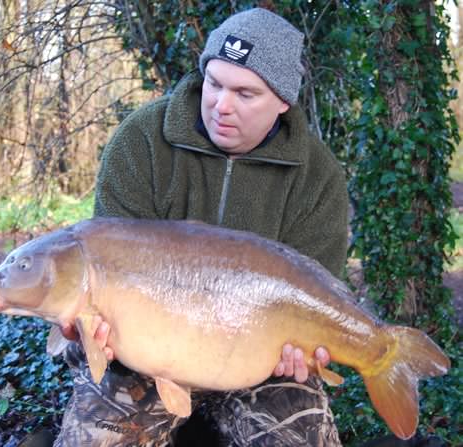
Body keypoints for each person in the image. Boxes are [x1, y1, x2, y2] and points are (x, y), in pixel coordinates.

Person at [52, 7, 349, 447]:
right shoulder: (141, 142)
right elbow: (100, 264)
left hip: (257, 363)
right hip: (143, 358)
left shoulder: (317, 175)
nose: (222, 105)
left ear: (283, 101)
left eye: (245, 94)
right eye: (215, 84)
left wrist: (302, 352)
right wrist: (88, 324)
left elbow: (317, 290)